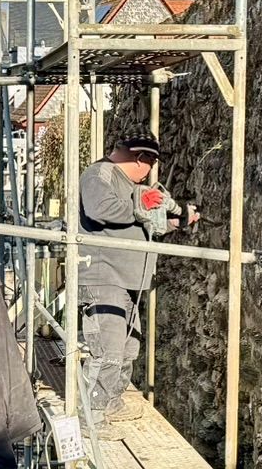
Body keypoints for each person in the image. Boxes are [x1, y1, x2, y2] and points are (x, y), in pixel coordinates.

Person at [77, 136, 193, 422]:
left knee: (128, 348)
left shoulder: (129, 185)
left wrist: (173, 221)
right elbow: (99, 210)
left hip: (127, 280)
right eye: (151, 163)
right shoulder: (99, 174)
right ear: (141, 158)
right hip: (103, 277)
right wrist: (139, 206)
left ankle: (111, 404)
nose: (150, 171)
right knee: (108, 350)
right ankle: (91, 417)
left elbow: (141, 225)